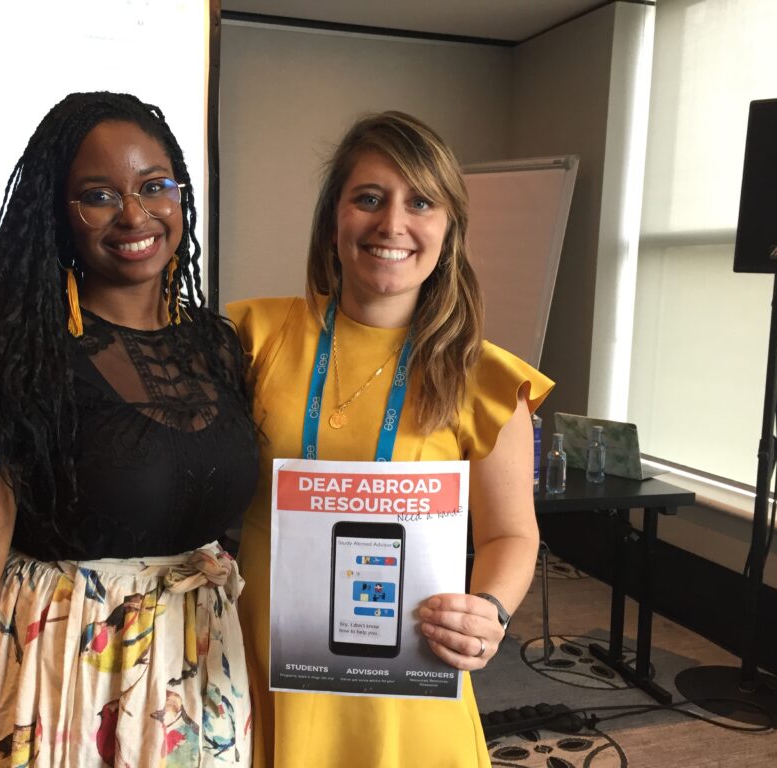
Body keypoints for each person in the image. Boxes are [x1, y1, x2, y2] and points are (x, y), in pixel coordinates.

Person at [0, 92, 258, 767]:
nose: (134, 215)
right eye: (98, 196)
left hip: (199, 689)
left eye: (155, 186)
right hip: (61, 692)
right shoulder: (10, 359)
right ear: (57, 213)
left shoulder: (217, 347)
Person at [227, 111, 553, 767]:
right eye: (369, 198)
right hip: (263, 659)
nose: (392, 223)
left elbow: (511, 535)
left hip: (406, 676)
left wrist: (490, 611)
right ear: (333, 220)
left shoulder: (486, 379)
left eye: (420, 202)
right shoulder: (252, 337)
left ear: (449, 230)